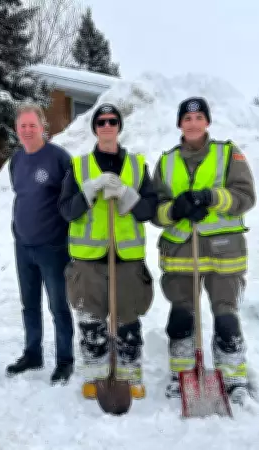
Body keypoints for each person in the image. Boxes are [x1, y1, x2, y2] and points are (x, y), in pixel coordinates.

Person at [150, 97, 256, 403]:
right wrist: (176, 209)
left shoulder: (228, 154)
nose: (193, 123)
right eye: (187, 118)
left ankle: (233, 376)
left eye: (199, 117)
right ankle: (182, 373)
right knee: (181, 315)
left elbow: (246, 196)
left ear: (207, 122)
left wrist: (212, 197)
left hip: (224, 253)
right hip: (181, 252)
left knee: (226, 316)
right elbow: (155, 210)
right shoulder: (167, 161)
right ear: (179, 124)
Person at [58, 103, 158, 399]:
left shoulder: (137, 166)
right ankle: (95, 375)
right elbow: (66, 211)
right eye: (101, 122)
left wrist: (127, 195)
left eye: (112, 121)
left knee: (127, 320)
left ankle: (129, 374)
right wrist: (88, 191)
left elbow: (149, 210)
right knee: (91, 321)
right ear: (94, 128)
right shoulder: (79, 167)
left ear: (119, 127)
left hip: (126, 259)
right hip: (88, 261)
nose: (107, 126)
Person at [6, 102, 75, 385]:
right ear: (16, 128)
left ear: (43, 126)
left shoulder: (59, 158)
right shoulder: (16, 160)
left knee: (58, 306)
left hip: (53, 247)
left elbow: (72, 200)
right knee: (29, 304)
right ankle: (33, 353)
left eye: (32, 125)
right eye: (22, 125)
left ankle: (65, 360)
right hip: (23, 246)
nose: (27, 130)